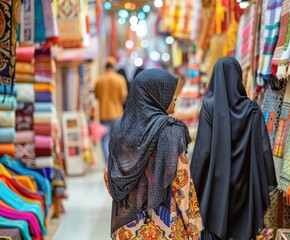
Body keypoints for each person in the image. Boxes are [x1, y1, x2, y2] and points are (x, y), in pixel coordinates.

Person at [104, 69, 203, 240]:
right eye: (170, 93)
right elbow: (182, 184)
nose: (175, 98)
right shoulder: (171, 131)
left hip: (128, 226)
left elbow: (109, 178)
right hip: (166, 226)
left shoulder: (121, 131)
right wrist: (194, 225)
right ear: (156, 96)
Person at [190, 57, 277, 240]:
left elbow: (203, 151)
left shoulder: (209, 107)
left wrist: (193, 183)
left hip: (215, 189)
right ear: (238, 78)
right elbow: (264, 150)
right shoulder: (253, 109)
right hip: (246, 187)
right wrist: (268, 182)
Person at [94, 57, 128, 162]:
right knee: (117, 139)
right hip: (117, 113)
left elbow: (96, 96)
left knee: (105, 140)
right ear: (114, 67)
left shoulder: (99, 80)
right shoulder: (119, 79)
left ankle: (107, 162)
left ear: (105, 67)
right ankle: (117, 161)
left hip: (103, 114)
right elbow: (123, 97)